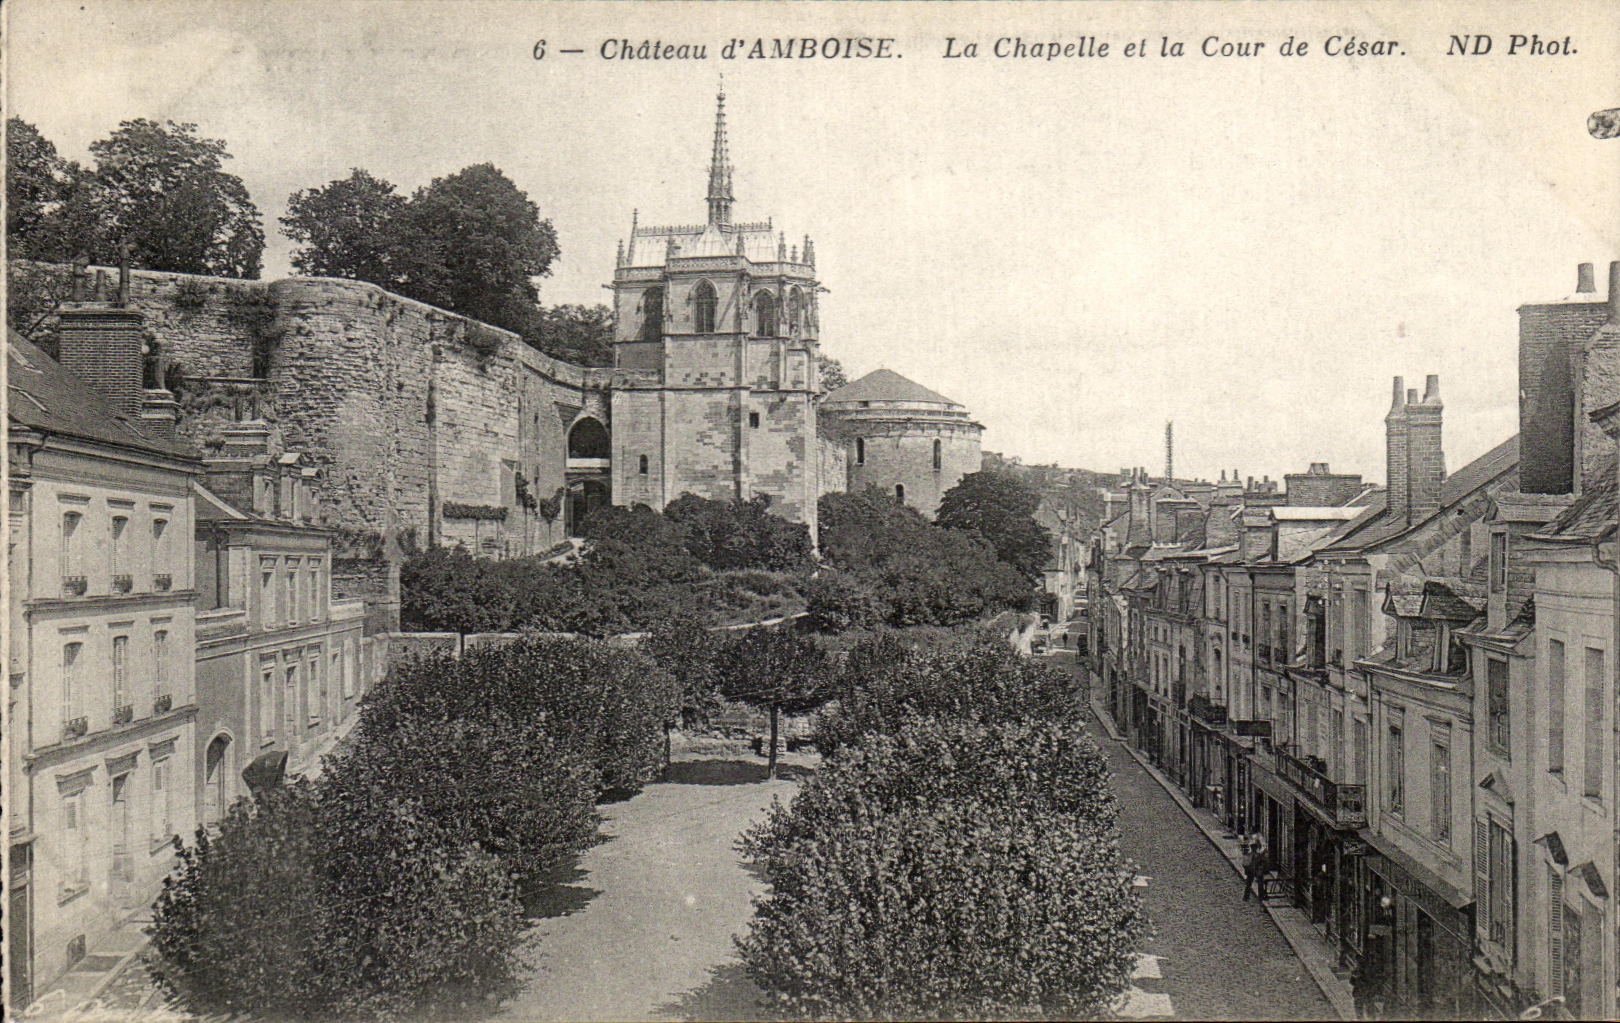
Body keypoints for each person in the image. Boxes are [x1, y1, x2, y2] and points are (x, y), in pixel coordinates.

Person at [1242, 831, 1269, 902]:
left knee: (1259, 883)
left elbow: (1262, 861)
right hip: (1251, 870)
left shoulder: (1257, 855)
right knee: (1249, 884)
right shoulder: (1250, 854)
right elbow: (1245, 863)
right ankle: (1246, 897)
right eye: (1253, 847)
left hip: (1256, 870)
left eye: (1254, 847)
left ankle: (1260, 896)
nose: (1254, 848)